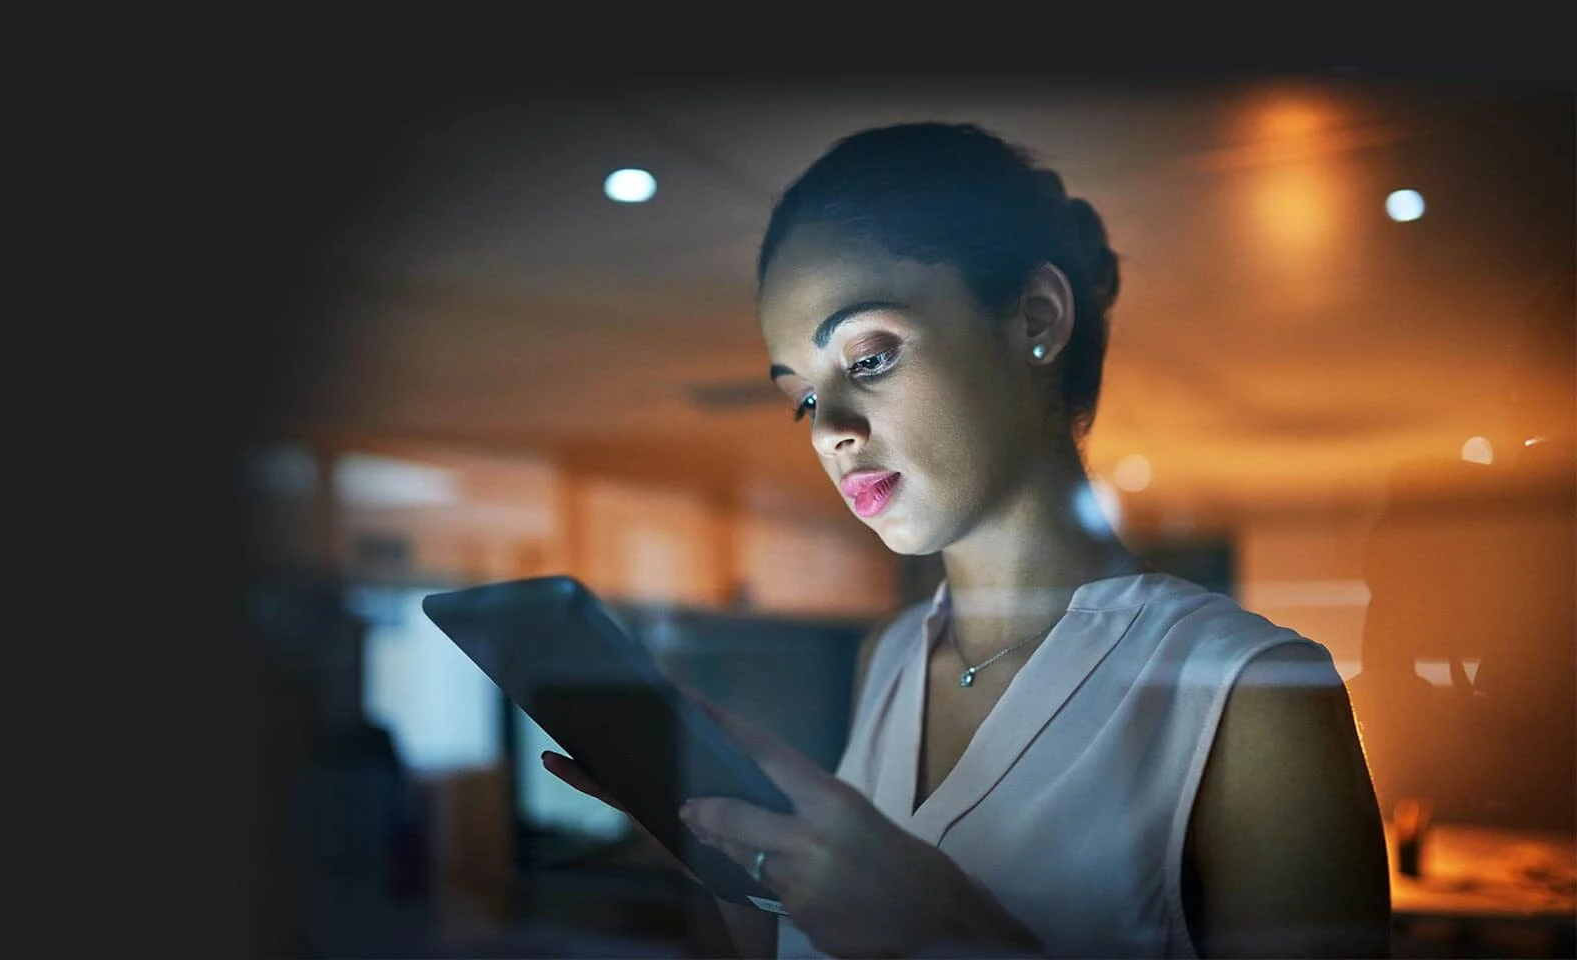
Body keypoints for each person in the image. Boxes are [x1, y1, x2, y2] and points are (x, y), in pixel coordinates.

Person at [543, 122, 1389, 958]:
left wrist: (953, 935)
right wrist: (722, 860)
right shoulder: (891, 658)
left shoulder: (1256, 695)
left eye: (868, 358)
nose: (828, 430)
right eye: (803, 397)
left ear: (1036, 318)